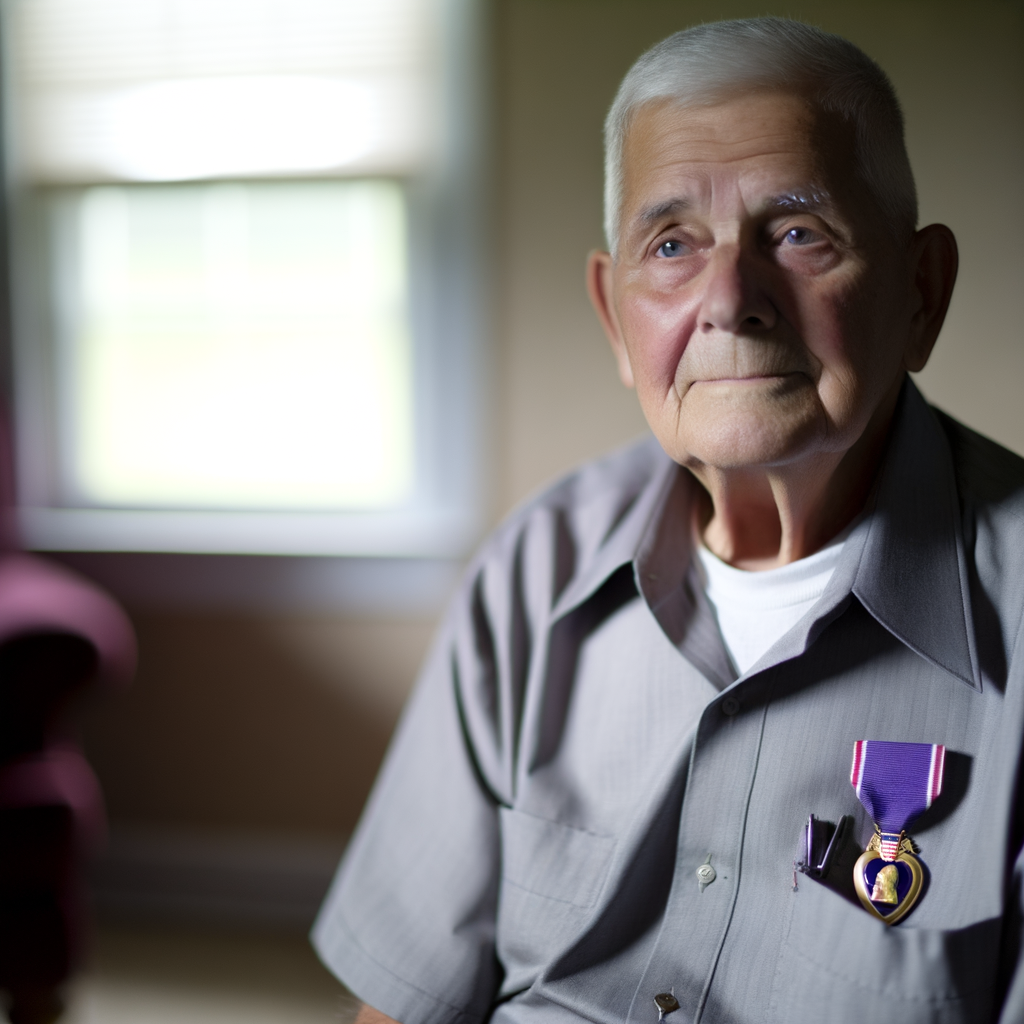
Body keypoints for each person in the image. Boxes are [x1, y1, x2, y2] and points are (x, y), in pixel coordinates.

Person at [313, 17, 1024, 1024]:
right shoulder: (534, 568)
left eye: (798, 232)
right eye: (673, 244)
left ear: (920, 293)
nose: (730, 300)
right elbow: (403, 1000)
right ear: (616, 318)